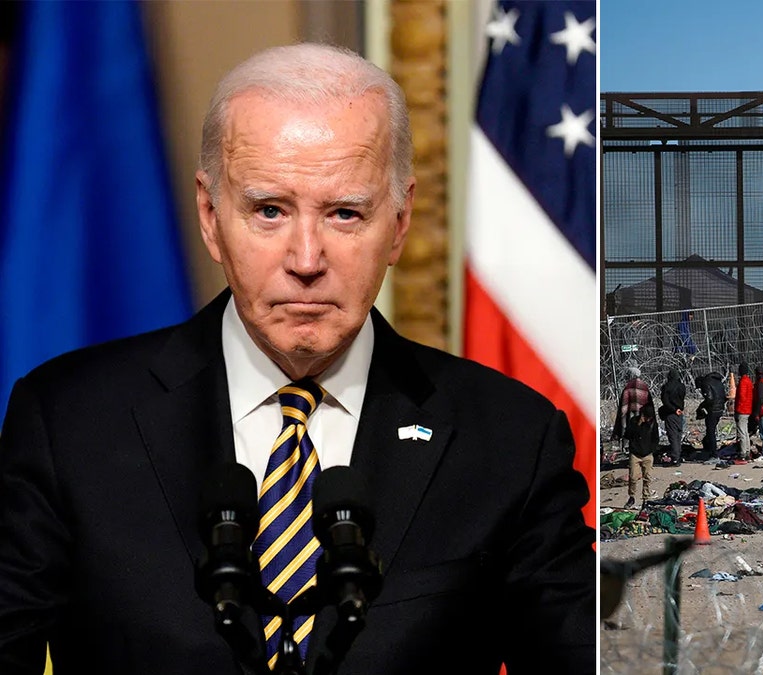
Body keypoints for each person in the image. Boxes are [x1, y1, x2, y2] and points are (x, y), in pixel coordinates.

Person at [0, 44, 594, 673]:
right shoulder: (70, 421)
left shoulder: (509, 438)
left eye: (344, 213)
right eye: (269, 211)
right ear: (210, 216)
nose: (306, 260)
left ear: (398, 222)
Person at [624, 405, 659, 508]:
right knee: (633, 477)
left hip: (647, 454)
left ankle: (645, 498)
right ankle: (631, 497)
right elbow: (627, 435)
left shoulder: (652, 424)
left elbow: (655, 439)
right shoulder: (633, 421)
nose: (648, 419)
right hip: (635, 454)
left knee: (647, 477)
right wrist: (638, 425)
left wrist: (652, 450)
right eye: (646, 417)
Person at [613, 366, 650, 445]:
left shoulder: (628, 387)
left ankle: (627, 445)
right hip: (642, 414)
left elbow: (623, 406)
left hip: (630, 415)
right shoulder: (644, 386)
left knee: (629, 427)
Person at [695, 371, 727, 458]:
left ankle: (713, 453)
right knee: (711, 431)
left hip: (713, 410)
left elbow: (709, 399)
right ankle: (709, 448)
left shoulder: (706, 383)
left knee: (710, 431)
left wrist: (702, 406)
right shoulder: (717, 381)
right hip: (720, 408)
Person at [659, 369, 687, 466]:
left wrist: (673, 409)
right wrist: (679, 408)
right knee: (678, 434)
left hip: (671, 413)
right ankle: (678, 454)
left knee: (672, 435)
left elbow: (665, 401)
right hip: (680, 411)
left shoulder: (667, 387)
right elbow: (682, 397)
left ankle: (675, 458)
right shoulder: (681, 386)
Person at [733, 362, 754, 461]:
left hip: (742, 409)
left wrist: (737, 409)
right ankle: (747, 451)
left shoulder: (742, 382)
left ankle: (742, 453)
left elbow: (741, 396)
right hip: (748, 409)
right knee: (745, 432)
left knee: (741, 432)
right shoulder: (749, 381)